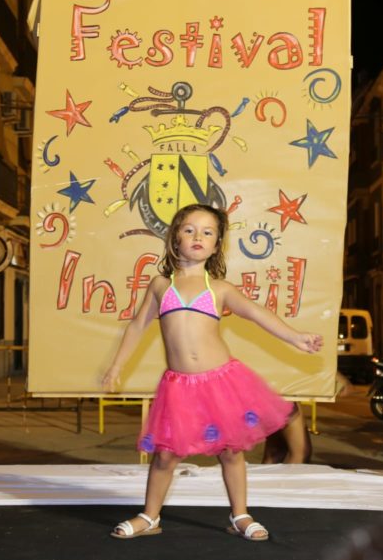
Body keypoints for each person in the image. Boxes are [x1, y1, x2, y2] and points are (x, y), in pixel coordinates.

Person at [102, 203, 323, 541]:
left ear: (217, 244)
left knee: (231, 452)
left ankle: (240, 515)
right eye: (189, 230)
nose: (198, 237)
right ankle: (149, 516)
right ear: (175, 238)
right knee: (165, 455)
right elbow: (137, 326)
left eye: (207, 232)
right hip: (179, 386)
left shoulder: (220, 289)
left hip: (221, 381)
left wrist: (295, 337)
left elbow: (256, 313)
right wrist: (116, 366)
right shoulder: (160, 285)